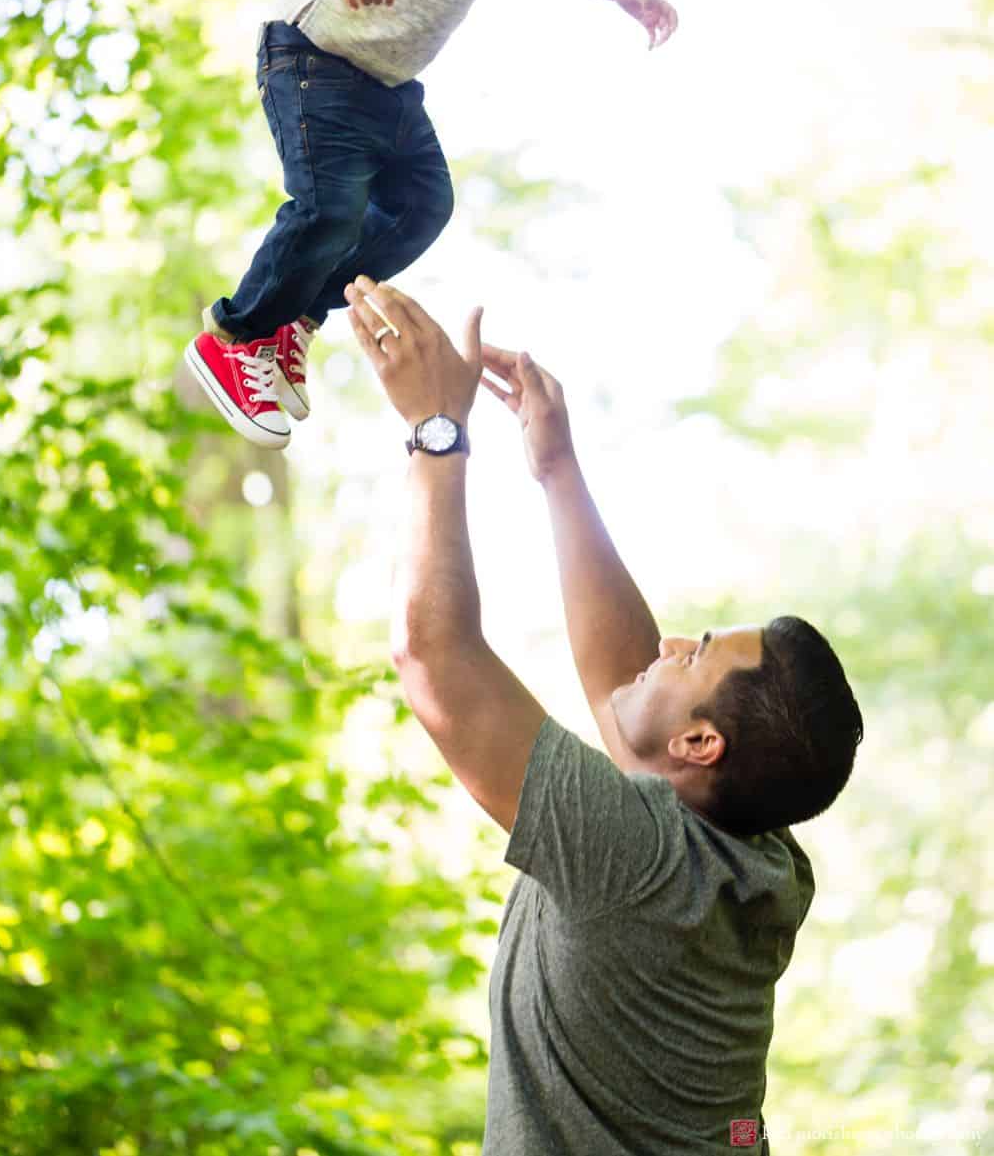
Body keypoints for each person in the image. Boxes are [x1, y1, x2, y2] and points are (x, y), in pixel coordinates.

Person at [342, 273, 864, 1156]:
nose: (668, 648)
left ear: (703, 742)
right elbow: (633, 694)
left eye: (694, 652)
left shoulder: (644, 858)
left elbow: (437, 662)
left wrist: (436, 430)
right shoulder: (757, 858)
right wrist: (556, 470)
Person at [185, 0, 678, 450]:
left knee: (423, 207)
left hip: (387, 84)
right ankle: (236, 336)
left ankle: (296, 314)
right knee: (329, 208)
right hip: (315, 57)